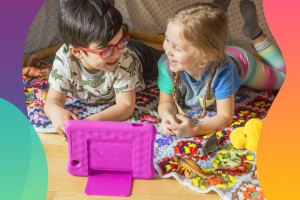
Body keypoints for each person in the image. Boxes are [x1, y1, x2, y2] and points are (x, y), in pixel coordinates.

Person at [157, 0, 286, 137]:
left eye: (177, 48)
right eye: (167, 40)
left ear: (205, 56)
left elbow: (224, 116)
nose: (167, 51)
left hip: (241, 62)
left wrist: (195, 129)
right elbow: (166, 102)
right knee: (211, 38)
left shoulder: (224, 71)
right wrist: (167, 117)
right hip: (213, 52)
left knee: (287, 80)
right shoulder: (167, 64)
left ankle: (255, 34)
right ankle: (219, 12)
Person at [44, 0, 162, 134]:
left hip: (141, 56)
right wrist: (56, 112)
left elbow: (126, 106)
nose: (117, 53)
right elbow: (53, 101)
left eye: (121, 39)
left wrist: (87, 123)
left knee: (169, 61)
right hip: (124, 48)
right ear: (77, 52)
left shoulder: (124, 57)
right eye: (106, 50)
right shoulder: (64, 59)